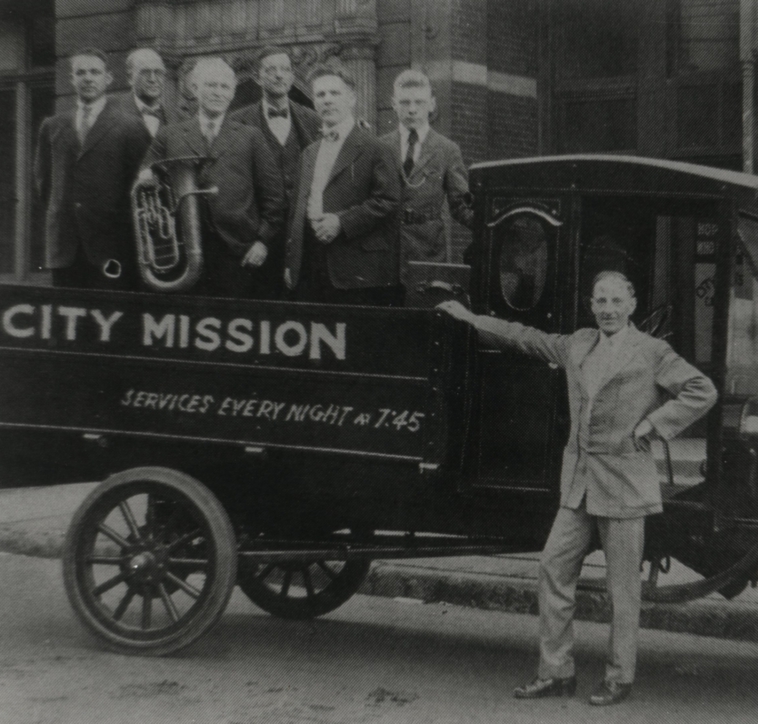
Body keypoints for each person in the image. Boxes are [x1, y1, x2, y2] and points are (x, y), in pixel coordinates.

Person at [438, 271, 717, 706]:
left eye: (615, 301)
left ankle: (619, 677)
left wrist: (654, 424)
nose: (607, 309)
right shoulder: (579, 344)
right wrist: (470, 318)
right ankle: (556, 672)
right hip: (580, 483)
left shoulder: (652, 351)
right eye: (600, 301)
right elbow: (524, 336)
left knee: (622, 589)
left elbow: (702, 389)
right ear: (591, 305)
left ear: (631, 304)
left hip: (624, 485)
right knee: (553, 566)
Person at [139, 57, 284, 298]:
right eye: (211, 85)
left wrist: (262, 241)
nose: (218, 93)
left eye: (224, 87)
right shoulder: (169, 135)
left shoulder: (251, 136)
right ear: (195, 89)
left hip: (239, 251)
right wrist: (146, 177)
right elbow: (145, 176)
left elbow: (275, 198)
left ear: (232, 93)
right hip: (182, 251)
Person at [34, 47, 151, 290]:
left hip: (111, 247)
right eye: (81, 72)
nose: (88, 78)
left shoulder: (131, 127)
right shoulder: (52, 126)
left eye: (95, 72)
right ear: (72, 79)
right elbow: (44, 184)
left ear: (108, 78)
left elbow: (141, 189)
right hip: (65, 247)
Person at [284, 64, 400, 306]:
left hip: (356, 270)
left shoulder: (376, 149)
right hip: (310, 265)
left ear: (351, 99)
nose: (327, 100)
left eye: (334, 93)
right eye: (320, 95)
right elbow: (297, 209)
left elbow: (388, 201)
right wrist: (291, 261)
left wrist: (341, 222)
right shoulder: (309, 152)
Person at [231, 46, 321, 298]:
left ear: (293, 77)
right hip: (258, 238)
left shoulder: (313, 120)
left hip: (305, 236)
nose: (279, 76)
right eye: (271, 70)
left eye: (285, 70)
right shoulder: (237, 122)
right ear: (258, 78)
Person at [378, 69, 474, 282]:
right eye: (404, 102)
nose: (412, 109)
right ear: (394, 104)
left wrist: (490, 227)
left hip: (428, 251)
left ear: (431, 104)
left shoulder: (447, 149)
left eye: (419, 102)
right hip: (386, 251)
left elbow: (461, 206)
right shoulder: (380, 147)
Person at [117, 48, 168, 138]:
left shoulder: (177, 118)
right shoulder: (113, 114)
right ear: (130, 78)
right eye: (145, 72)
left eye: (158, 72)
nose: (153, 79)